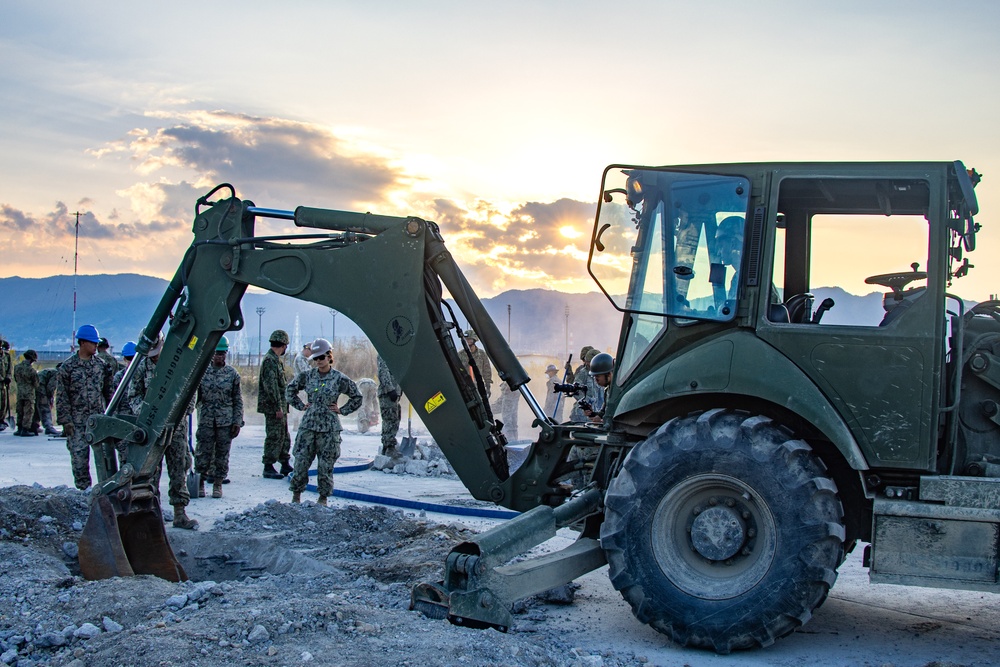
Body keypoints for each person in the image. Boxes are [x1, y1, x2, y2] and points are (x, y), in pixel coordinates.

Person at [126, 333, 198, 528]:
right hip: (151, 430)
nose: (155, 357)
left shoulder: (177, 362)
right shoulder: (141, 366)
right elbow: (133, 396)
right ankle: (153, 514)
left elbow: (190, 389)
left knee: (178, 468)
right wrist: (148, 415)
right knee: (150, 472)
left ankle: (180, 513)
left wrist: (182, 412)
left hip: (176, 427)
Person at [285, 338, 362, 505]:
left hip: (329, 428)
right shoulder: (308, 376)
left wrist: (342, 410)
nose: (318, 361)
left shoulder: (339, 378)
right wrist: (300, 405)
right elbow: (290, 390)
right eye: (315, 358)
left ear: (329, 356)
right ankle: (296, 496)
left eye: (321, 357)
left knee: (325, 466)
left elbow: (357, 397)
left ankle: (323, 498)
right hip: (309, 426)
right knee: (301, 462)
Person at [57, 324, 114, 490]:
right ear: (82, 343)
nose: (96, 345)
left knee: (105, 462)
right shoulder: (67, 368)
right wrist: (65, 421)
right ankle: (84, 495)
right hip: (77, 423)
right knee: (79, 462)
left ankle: (107, 494)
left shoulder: (102, 366)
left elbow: (109, 394)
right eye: (92, 342)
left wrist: (110, 418)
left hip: (98, 422)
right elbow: (62, 396)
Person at [194, 336, 243, 499]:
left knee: (222, 454)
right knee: (203, 452)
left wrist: (237, 421)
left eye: (222, 353)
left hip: (225, 421)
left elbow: (237, 399)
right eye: (216, 353)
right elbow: (194, 397)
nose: (219, 356)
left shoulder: (232, 374)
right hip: (206, 419)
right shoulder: (202, 372)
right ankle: (200, 482)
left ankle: (217, 484)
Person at [258, 329, 293, 479]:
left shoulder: (275, 360)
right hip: (274, 407)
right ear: (283, 345)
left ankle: (284, 462)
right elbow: (271, 386)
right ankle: (268, 465)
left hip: (280, 405)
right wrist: (278, 407)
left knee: (284, 435)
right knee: (274, 435)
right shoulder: (270, 361)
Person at [376, 355, 402, 456]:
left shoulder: (395, 354)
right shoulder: (384, 353)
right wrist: (390, 389)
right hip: (387, 393)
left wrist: (400, 389)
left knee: (395, 419)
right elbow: (383, 372)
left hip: (395, 392)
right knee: (389, 419)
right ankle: (389, 448)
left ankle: (388, 447)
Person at [715, 215, 744, 299]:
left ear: (733, 243)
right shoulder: (739, 277)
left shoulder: (743, 279)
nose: (718, 253)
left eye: (721, 246)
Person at [458, 329, 492, 399]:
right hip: (465, 387)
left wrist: (488, 386)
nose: (468, 341)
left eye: (470, 339)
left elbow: (486, 370)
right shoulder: (460, 355)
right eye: (466, 339)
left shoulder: (481, 354)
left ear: (474, 340)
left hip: (478, 386)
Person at [13, 349, 39, 436]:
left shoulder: (17, 368)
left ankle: (19, 428)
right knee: (28, 411)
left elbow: (16, 379)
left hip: (20, 392)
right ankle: (25, 429)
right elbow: (36, 384)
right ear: (32, 359)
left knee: (20, 410)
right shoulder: (31, 371)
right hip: (29, 393)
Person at [582, 353, 614, 423]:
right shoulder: (608, 390)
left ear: (608, 374)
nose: (596, 380)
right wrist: (592, 414)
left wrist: (602, 421)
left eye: (598, 376)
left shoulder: (618, 391)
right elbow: (603, 413)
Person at [32, 362, 61, 436]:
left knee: (37, 407)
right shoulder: (57, 373)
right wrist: (50, 398)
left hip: (34, 387)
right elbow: (50, 388)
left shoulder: (52, 371)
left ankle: (33, 425)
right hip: (41, 388)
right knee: (44, 407)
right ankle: (49, 427)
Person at [0, 338, 12, 431]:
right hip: (1, 381)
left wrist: (8, 377)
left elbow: (9, 368)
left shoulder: (6, 356)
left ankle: (1, 419)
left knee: (4, 402)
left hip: (4, 384)